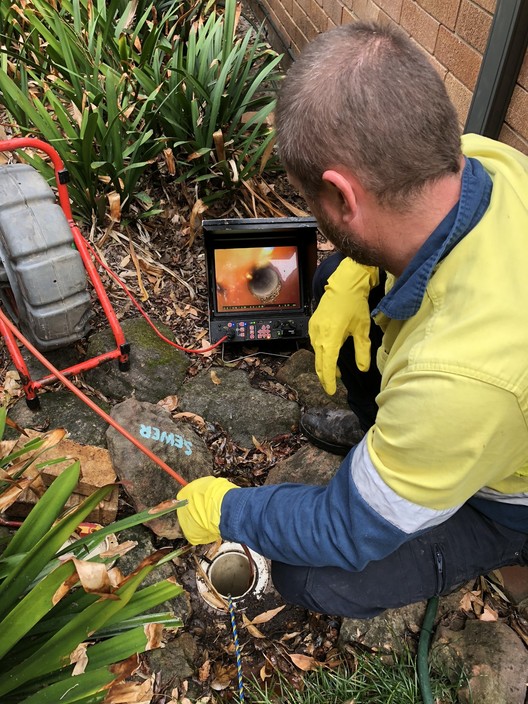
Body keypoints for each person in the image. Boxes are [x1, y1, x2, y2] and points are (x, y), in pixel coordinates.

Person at [176, 20, 528, 618]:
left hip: (505, 496)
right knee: (330, 276)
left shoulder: (461, 378)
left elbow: (345, 530)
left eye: (312, 203)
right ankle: (397, 451)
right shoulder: (487, 160)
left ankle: (460, 511)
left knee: (311, 575)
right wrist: (353, 274)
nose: (313, 216)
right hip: (476, 412)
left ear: (342, 195)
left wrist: (228, 508)